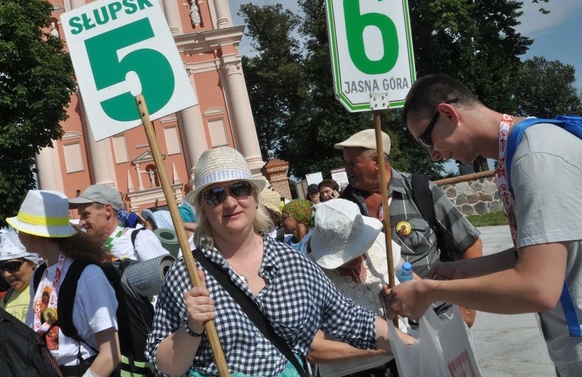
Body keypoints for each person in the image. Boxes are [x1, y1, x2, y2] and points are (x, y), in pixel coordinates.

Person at [145, 146, 410, 377]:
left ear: (254, 196)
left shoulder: (291, 262)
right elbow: (164, 367)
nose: (230, 203)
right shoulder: (187, 273)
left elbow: (351, 318)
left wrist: (413, 346)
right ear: (203, 207)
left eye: (239, 189)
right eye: (215, 194)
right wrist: (191, 327)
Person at [386, 73, 582, 376]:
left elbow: (538, 288)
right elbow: (538, 253)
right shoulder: (525, 147)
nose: (433, 155)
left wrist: (431, 292)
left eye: (427, 139)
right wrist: (459, 270)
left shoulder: (534, 157)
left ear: (449, 114)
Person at [335, 128, 482, 325]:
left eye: (353, 163)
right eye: (346, 163)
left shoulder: (420, 190)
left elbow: (470, 245)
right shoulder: (343, 208)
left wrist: (468, 308)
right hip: (380, 330)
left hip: (439, 318)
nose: (347, 169)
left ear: (377, 161)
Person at [7, 189, 120, 375]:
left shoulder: (88, 275)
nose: (17, 233)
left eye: (20, 227)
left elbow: (111, 353)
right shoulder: (39, 274)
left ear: (34, 232)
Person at [308, 200, 409, 377]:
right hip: (351, 371)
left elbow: (410, 278)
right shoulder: (308, 273)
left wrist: (403, 296)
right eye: (347, 254)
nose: (356, 257)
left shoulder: (379, 243)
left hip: (403, 360)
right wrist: (380, 349)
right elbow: (313, 349)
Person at [73, 184, 168, 261]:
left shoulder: (140, 239)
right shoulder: (91, 252)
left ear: (107, 210)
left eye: (86, 215)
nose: (81, 223)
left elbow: (163, 277)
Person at [0, 228, 43, 323]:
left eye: (12, 266)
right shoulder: (8, 295)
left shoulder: (43, 291)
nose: (6, 274)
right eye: (1, 267)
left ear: (32, 263)